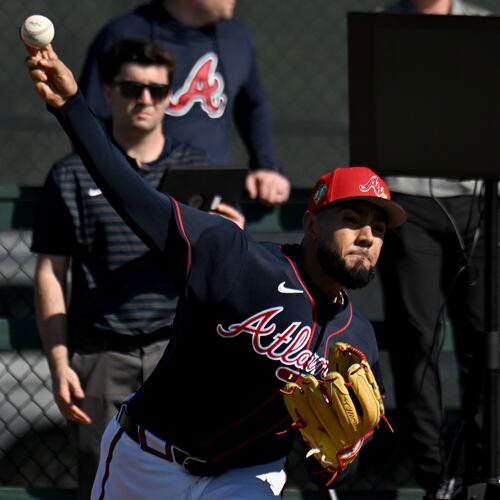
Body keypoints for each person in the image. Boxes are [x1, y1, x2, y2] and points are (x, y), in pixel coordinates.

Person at [25, 44, 406, 499]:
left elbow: (336, 473)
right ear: (310, 224)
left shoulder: (357, 340)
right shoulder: (236, 259)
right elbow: (132, 196)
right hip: (150, 460)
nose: (368, 235)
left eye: (379, 227)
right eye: (351, 219)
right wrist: (72, 107)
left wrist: (340, 456)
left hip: (246, 477)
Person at [31, 39, 244, 499]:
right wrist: (59, 361)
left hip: (182, 352)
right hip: (102, 354)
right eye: (132, 88)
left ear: (171, 96)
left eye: (157, 89)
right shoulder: (71, 173)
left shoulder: (197, 168)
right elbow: (51, 272)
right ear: (107, 92)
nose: (145, 99)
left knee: (188, 480)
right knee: (104, 482)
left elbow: (221, 265)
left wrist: (230, 234)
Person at [377, 2, 492, 498]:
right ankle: (435, 476)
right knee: (416, 341)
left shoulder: (483, 29)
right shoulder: (384, 25)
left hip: (482, 199)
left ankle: (486, 468)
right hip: (407, 201)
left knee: (486, 341)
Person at [79, 0, 291, 207]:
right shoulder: (124, 33)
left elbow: (252, 107)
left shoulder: (236, 36)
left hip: (213, 196)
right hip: (143, 197)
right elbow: (89, 119)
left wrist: (266, 166)